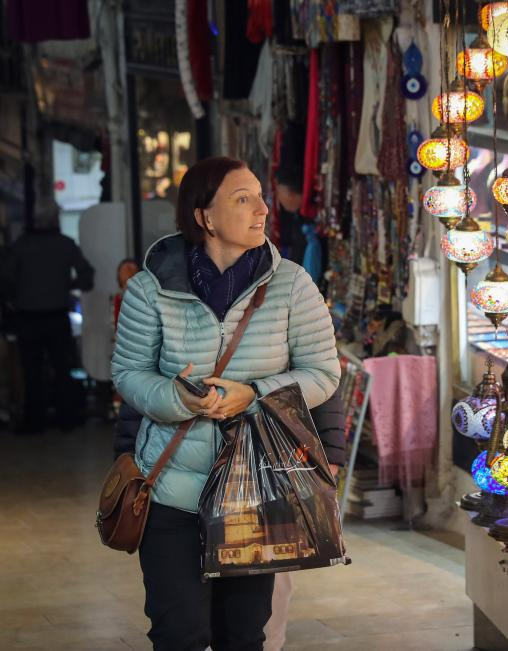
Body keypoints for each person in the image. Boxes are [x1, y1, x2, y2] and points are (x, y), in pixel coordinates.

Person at [111, 156, 341, 651]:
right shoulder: (150, 288)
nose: (262, 208)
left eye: (260, 196)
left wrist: (253, 396)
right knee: (179, 634)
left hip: (255, 493)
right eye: (244, 199)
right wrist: (177, 398)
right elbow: (128, 374)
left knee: (243, 636)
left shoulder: (292, 285)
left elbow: (324, 373)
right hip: (171, 492)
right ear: (205, 217)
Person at [0, 201, 94, 433]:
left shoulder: (20, 246)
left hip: (27, 318)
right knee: (62, 368)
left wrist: (17, 297)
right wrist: (68, 285)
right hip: (57, 316)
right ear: (54, 220)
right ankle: (67, 418)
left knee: (32, 371)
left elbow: (6, 280)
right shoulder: (65, 244)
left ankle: (35, 421)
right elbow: (87, 275)